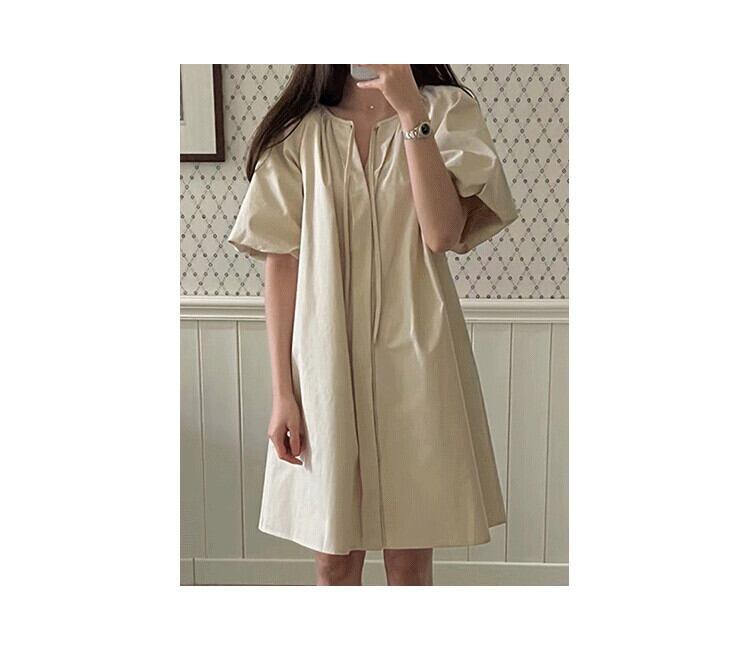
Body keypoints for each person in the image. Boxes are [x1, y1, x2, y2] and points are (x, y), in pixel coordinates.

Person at [228, 64, 519, 586]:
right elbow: (282, 264)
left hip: (418, 356)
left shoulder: (445, 110)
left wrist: (410, 111)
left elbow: (442, 232)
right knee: (333, 563)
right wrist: (283, 393)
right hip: (324, 364)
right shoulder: (300, 131)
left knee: (409, 563)